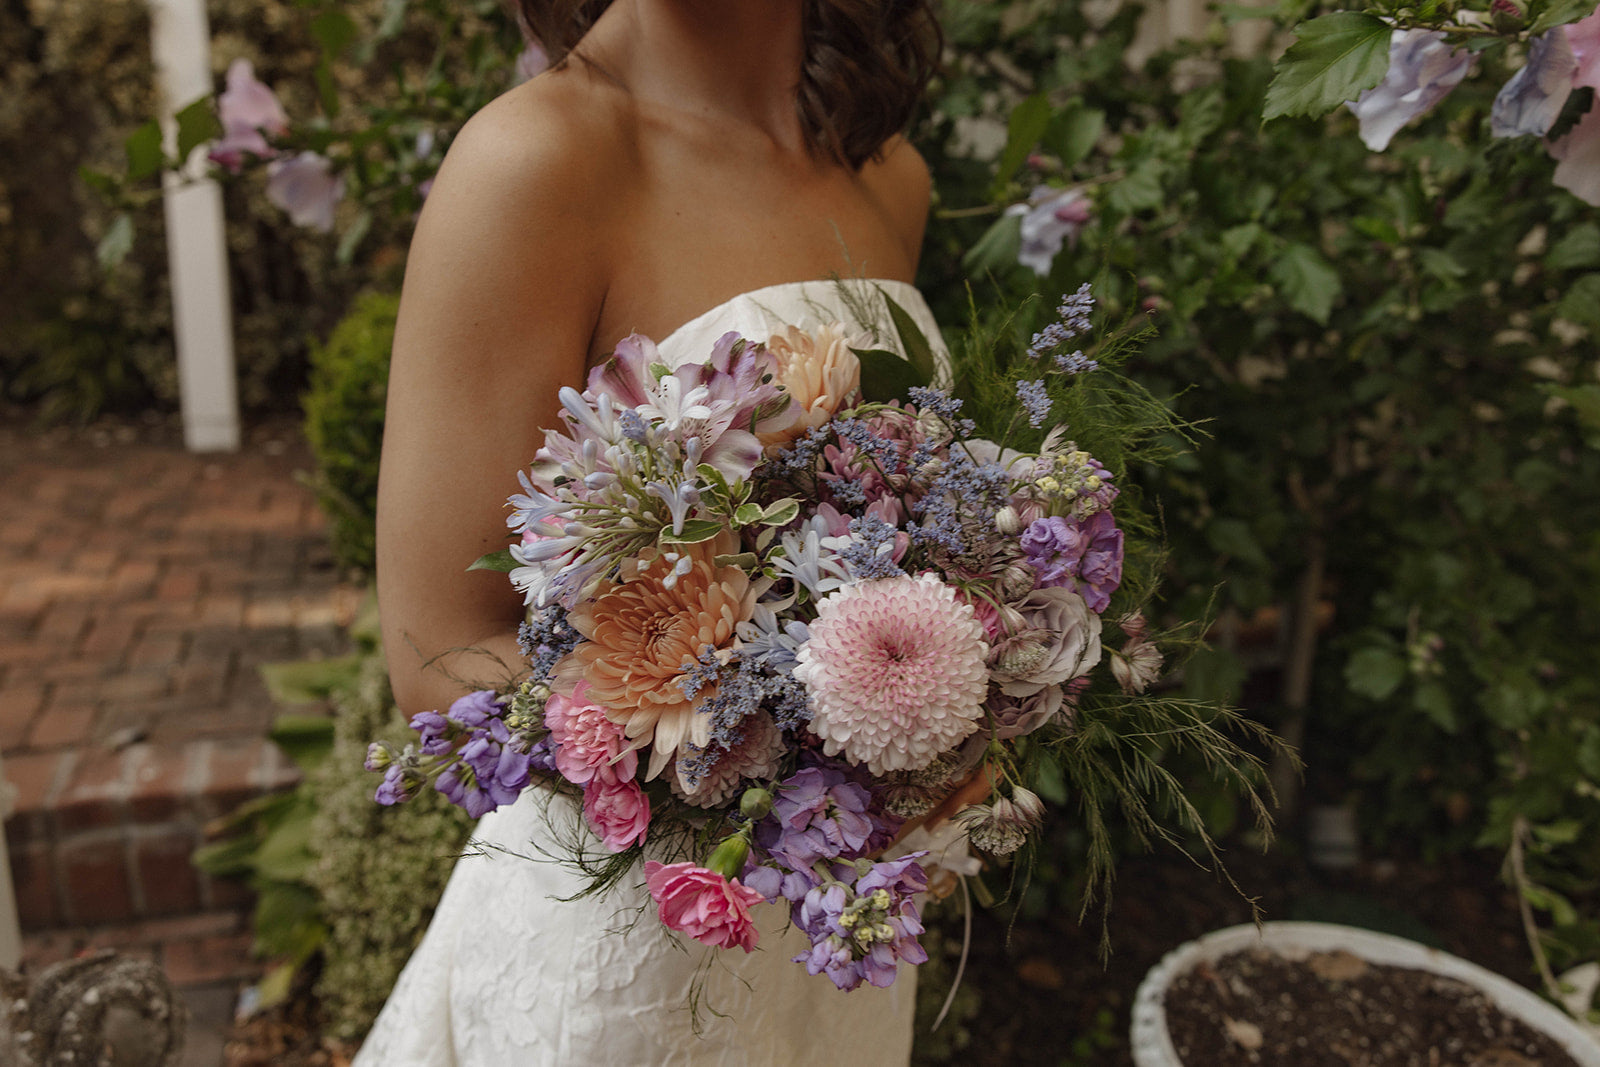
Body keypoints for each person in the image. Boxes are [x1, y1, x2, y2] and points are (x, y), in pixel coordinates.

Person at [359, 2, 948, 1063]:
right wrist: (790, 753)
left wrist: (959, 711)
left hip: (831, 939)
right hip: (624, 955)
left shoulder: (887, 173)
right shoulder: (536, 160)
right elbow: (437, 652)